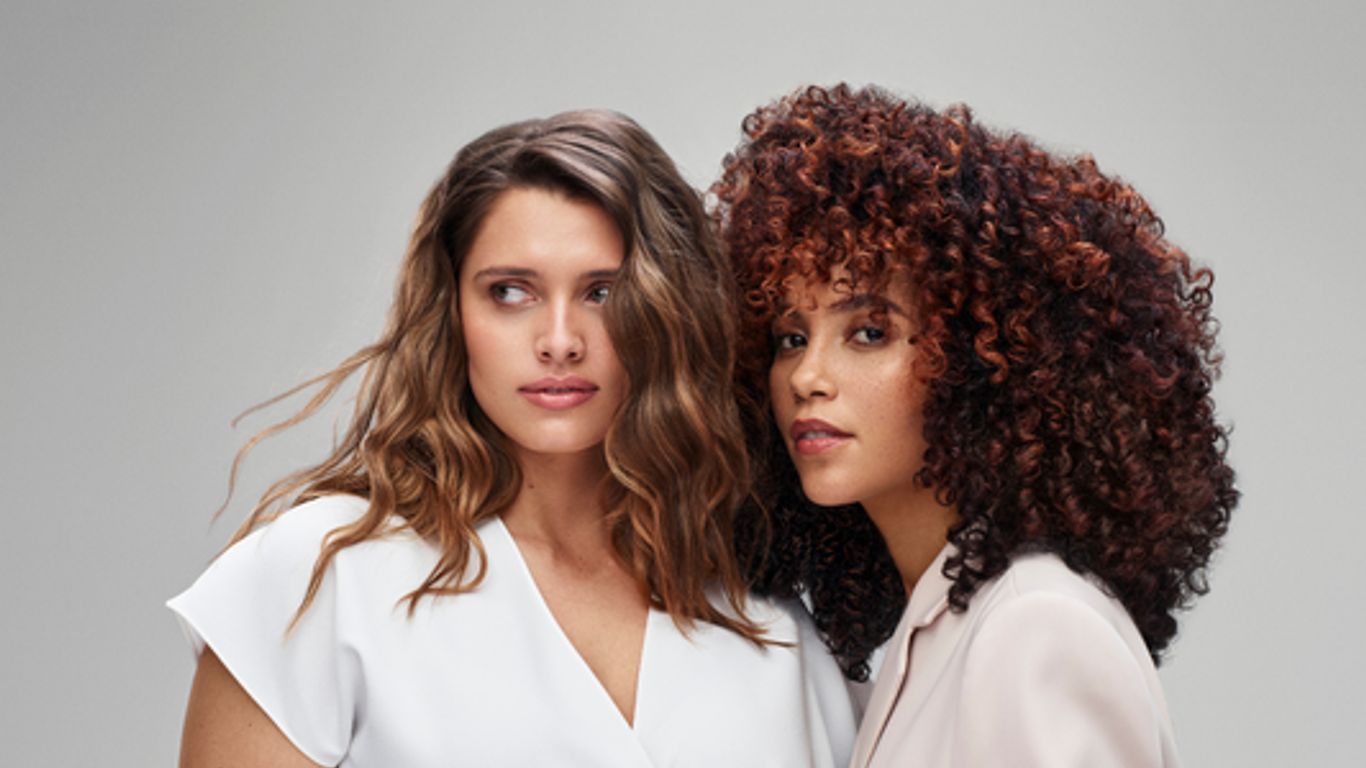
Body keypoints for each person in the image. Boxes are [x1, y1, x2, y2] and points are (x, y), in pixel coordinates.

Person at [169, 109, 856, 768]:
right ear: (452, 311)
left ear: (668, 314)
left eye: (604, 293)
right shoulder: (323, 578)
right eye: (510, 292)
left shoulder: (772, 624)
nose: (560, 342)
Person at [714, 84, 1237, 767]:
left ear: (982, 358)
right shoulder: (936, 634)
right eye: (789, 337)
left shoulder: (1035, 627)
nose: (807, 376)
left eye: (869, 332)